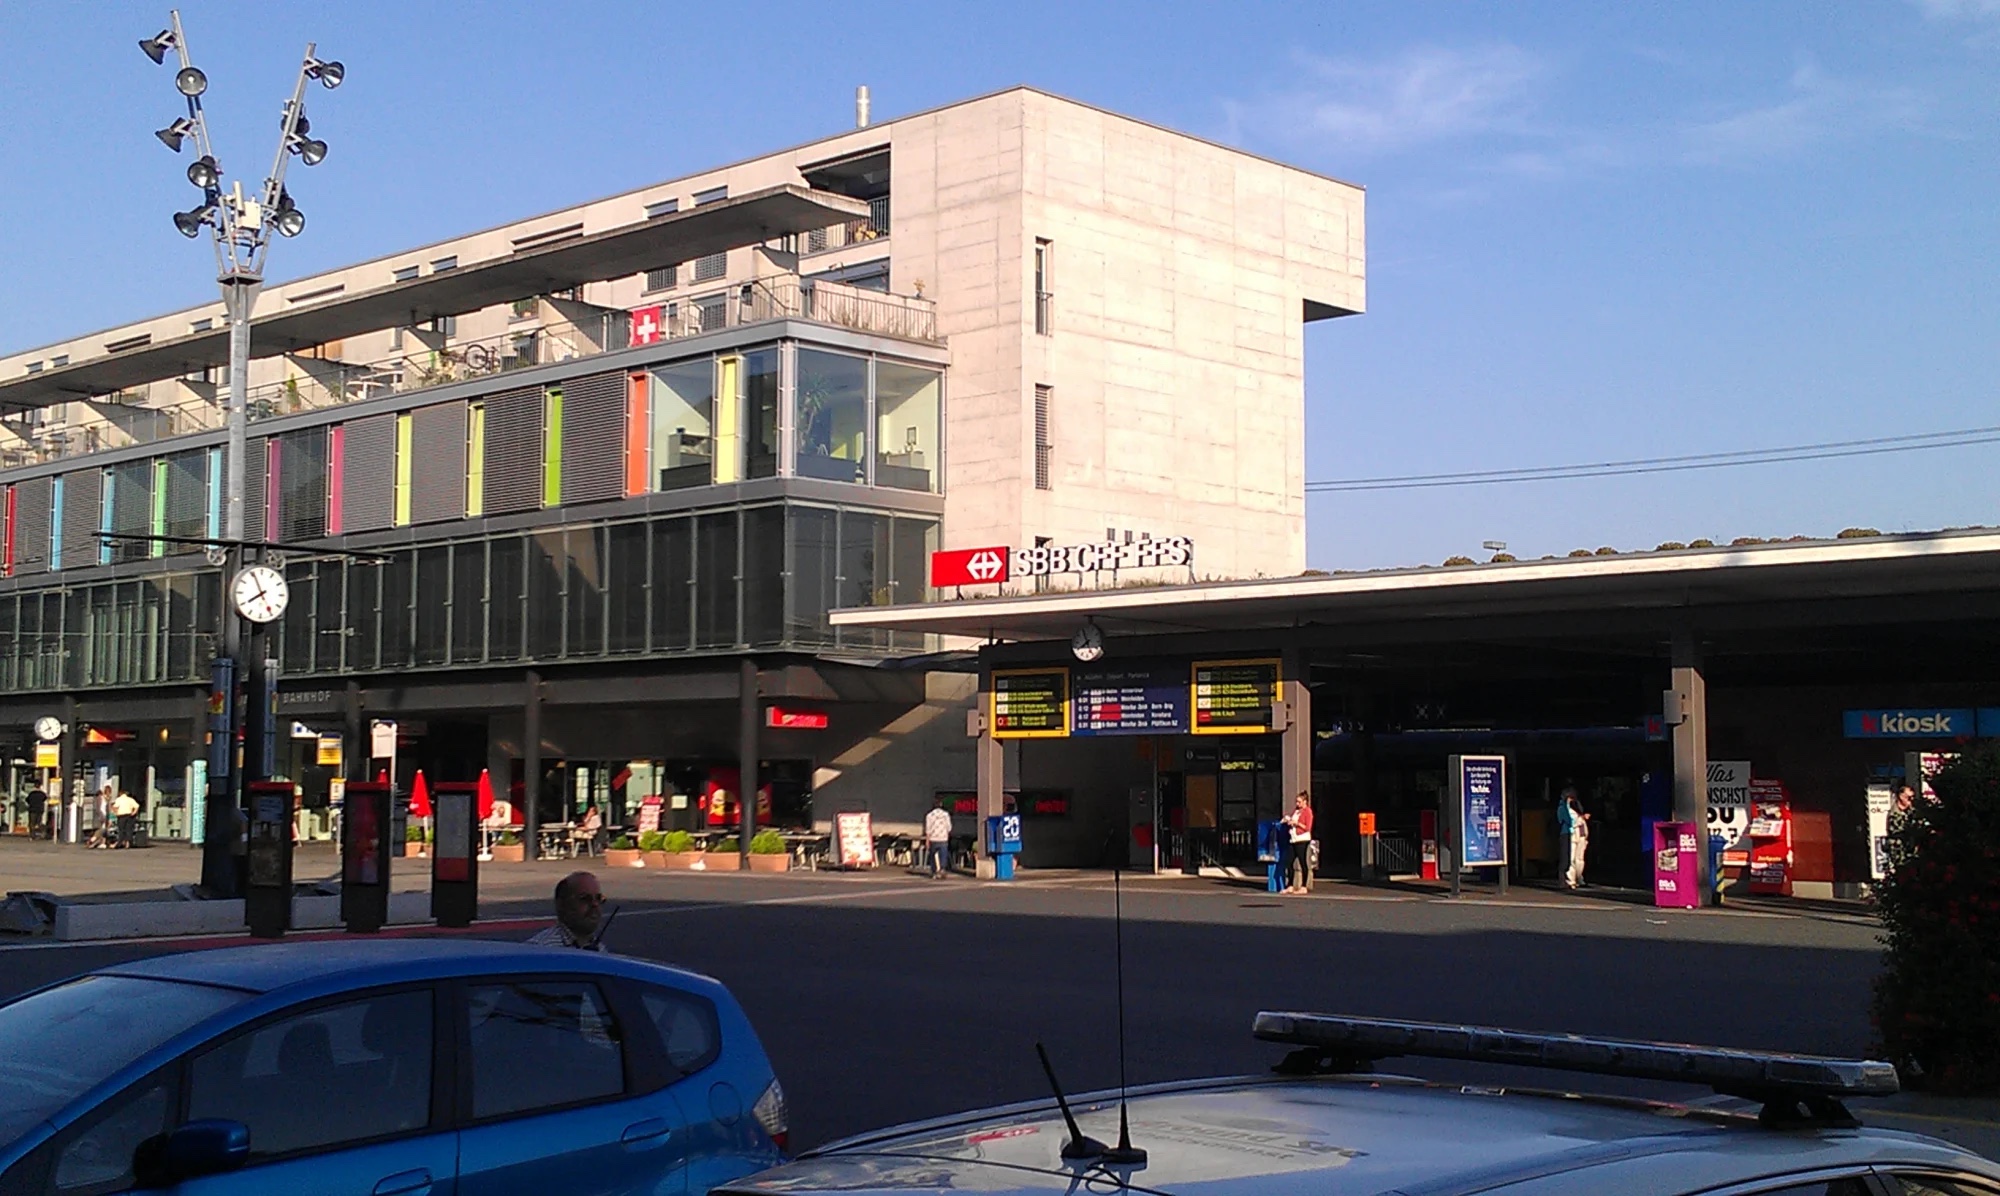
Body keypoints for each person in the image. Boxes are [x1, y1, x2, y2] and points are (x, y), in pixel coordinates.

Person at [526, 871, 611, 951]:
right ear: (562, 904)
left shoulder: (600, 949)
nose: (595, 904)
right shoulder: (541, 949)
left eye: (598, 898)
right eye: (585, 899)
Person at [1284, 792, 1314, 894]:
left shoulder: (1308, 812)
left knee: (1302, 861)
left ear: (1305, 802)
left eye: (1299, 802)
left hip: (1302, 839)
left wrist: (1297, 824)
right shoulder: (1297, 811)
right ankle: (1290, 885)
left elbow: (1308, 827)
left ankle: (1304, 886)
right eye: (1296, 801)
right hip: (1293, 838)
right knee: (1289, 862)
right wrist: (1289, 821)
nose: (1297, 804)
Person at [1564, 790, 1591, 890]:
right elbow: (1572, 823)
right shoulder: (1568, 811)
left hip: (1581, 837)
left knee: (1580, 859)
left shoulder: (1577, 812)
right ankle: (1571, 879)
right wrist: (1581, 819)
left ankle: (1579, 877)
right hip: (1573, 836)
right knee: (1572, 859)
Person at [923, 798, 953, 879]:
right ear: (941, 805)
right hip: (943, 838)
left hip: (933, 838)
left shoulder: (929, 815)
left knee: (933, 855)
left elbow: (928, 829)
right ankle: (942, 868)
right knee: (943, 855)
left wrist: (927, 840)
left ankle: (934, 871)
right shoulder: (945, 814)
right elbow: (949, 827)